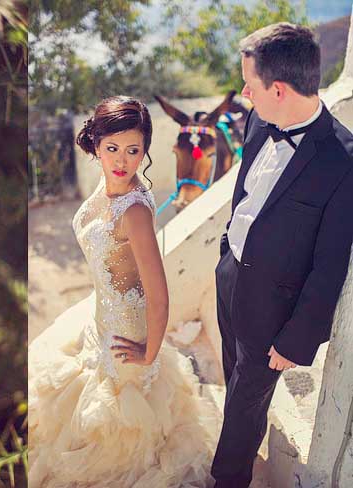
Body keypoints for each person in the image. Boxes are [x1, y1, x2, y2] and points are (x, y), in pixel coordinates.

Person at [28, 96, 219, 487]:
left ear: (145, 150)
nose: (122, 160)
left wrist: (148, 354)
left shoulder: (134, 212)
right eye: (112, 148)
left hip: (126, 335)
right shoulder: (107, 184)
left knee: (120, 442)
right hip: (101, 318)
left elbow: (160, 294)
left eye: (134, 150)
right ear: (96, 144)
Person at [211, 23, 353, 487]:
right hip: (230, 275)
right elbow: (246, 195)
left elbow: (331, 264)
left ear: (277, 89)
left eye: (250, 85)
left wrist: (298, 338)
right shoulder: (258, 120)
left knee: (244, 403)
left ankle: (228, 479)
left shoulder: (344, 162)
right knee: (234, 377)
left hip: (273, 311)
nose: (244, 93)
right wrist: (226, 252)